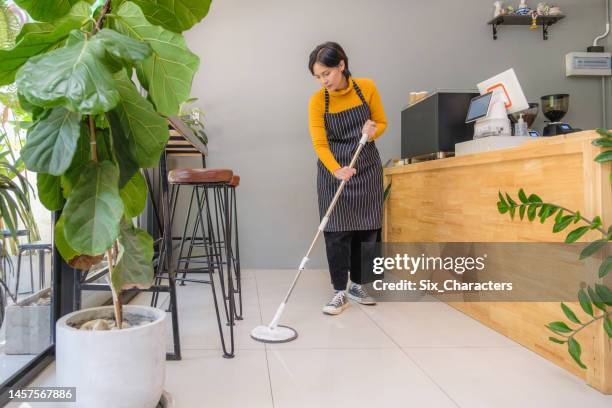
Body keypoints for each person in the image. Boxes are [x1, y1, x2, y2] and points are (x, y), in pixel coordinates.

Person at [307, 41, 387, 315]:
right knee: (337, 232)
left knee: (367, 230)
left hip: (366, 168)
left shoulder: (367, 88)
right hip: (334, 171)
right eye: (318, 77)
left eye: (326, 73)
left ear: (341, 65)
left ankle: (358, 285)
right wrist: (336, 169)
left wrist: (372, 131)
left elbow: (381, 122)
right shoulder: (318, 101)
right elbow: (320, 144)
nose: (323, 81)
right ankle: (339, 290)